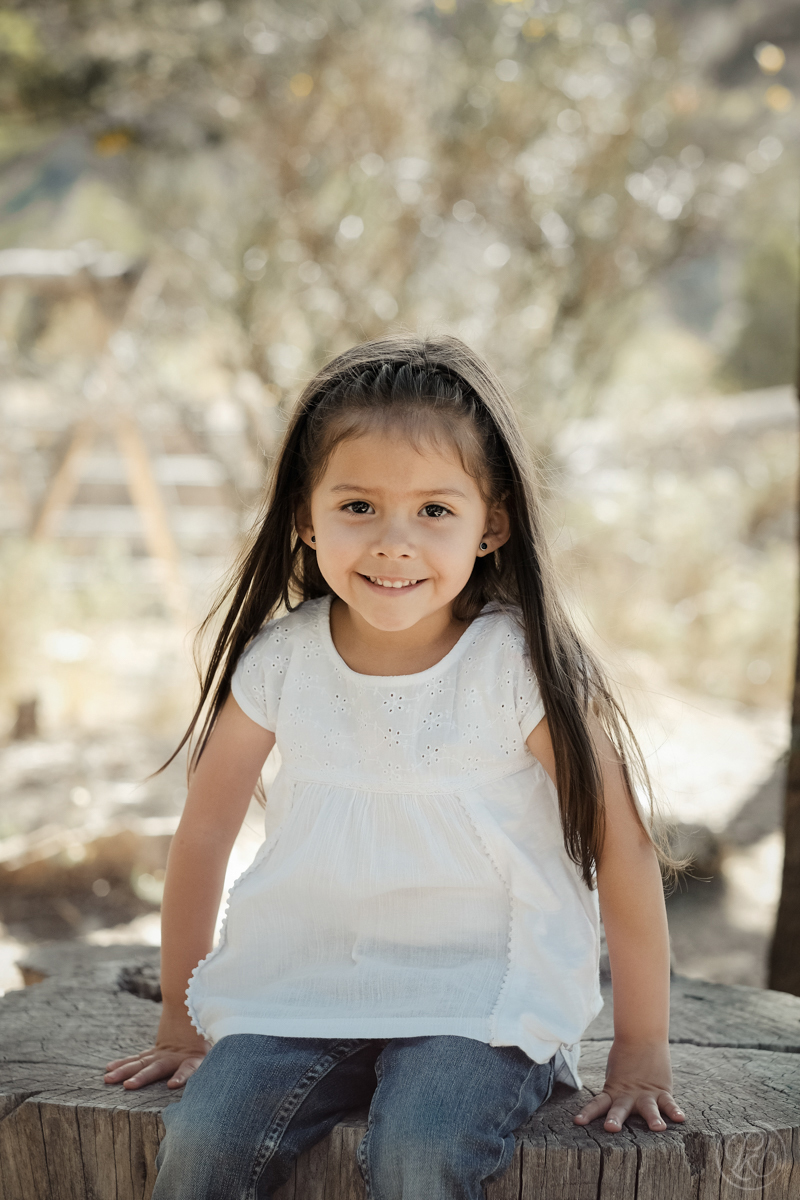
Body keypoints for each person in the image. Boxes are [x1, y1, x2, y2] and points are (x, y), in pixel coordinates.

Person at [104, 333, 687, 1199]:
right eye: (358, 507)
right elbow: (204, 836)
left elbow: (623, 846)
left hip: (477, 1002)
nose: (393, 543)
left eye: (435, 512)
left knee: (421, 1150)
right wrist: (182, 1021)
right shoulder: (282, 662)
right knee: (203, 1145)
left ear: (493, 524)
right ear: (306, 515)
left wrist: (641, 1046)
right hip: (298, 987)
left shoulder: (515, 670)